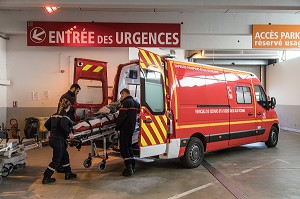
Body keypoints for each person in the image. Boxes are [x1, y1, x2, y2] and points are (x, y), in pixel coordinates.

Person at [42, 98, 77, 184]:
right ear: (69, 106)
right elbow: (63, 125)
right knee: (56, 161)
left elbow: (46, 124)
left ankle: (68, 173)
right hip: (59, 141)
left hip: (53, 139)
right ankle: (46, 177)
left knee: (65, 156)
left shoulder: (54, 115)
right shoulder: (65, 116)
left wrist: (54, 130)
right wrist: (69, 133)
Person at [115, 88, 140, 177]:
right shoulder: (135, 103)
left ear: (125, 94)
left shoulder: (125, 103)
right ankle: (132, 165)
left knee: (124, 148)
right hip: (131, 127)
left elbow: (122, 117)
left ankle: (128, 168)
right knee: (129, 146)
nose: (121, 97)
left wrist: (116, 127)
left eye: (122, 95)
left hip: (124, 128)